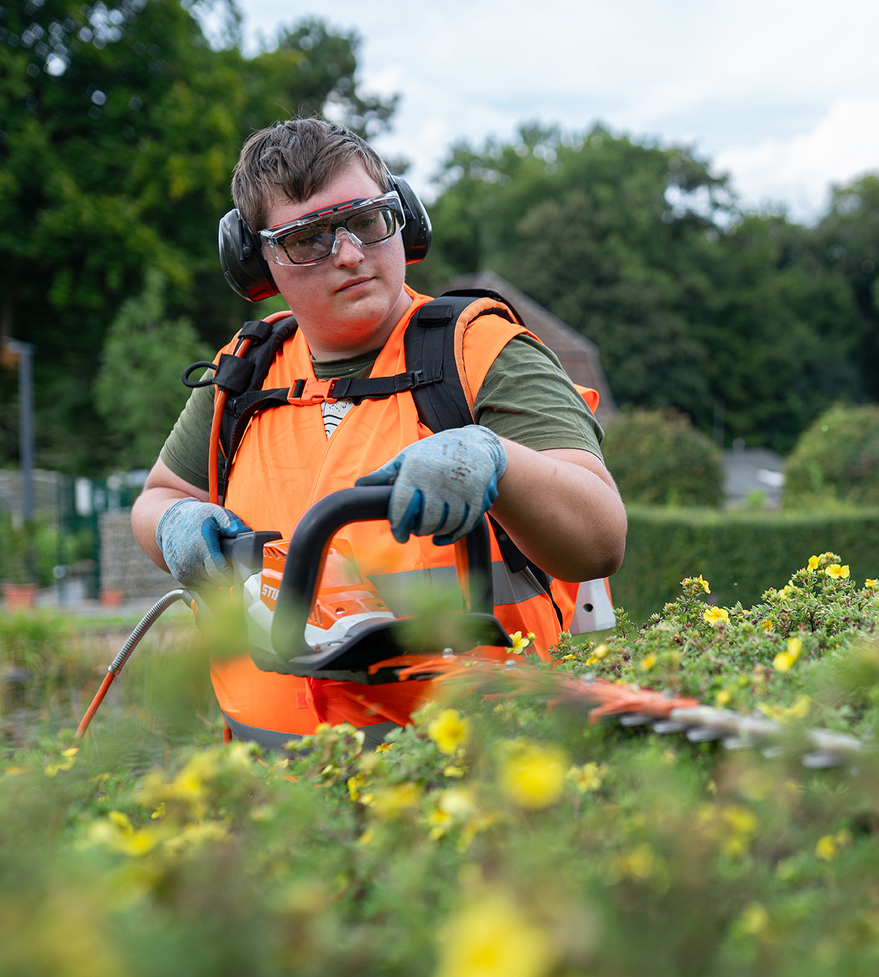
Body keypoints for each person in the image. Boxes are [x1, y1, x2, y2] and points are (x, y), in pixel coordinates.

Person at [131, 118, 626, 747]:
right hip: (273, 784)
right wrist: (173, 524)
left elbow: (600, 539)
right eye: (307, 239)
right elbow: (160, 496)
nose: (348, 253)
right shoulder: (244, 374)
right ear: (258, 263)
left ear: (403, 218)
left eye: (366, 220)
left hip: (469, 771)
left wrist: (498, 460)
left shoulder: (483, 353)